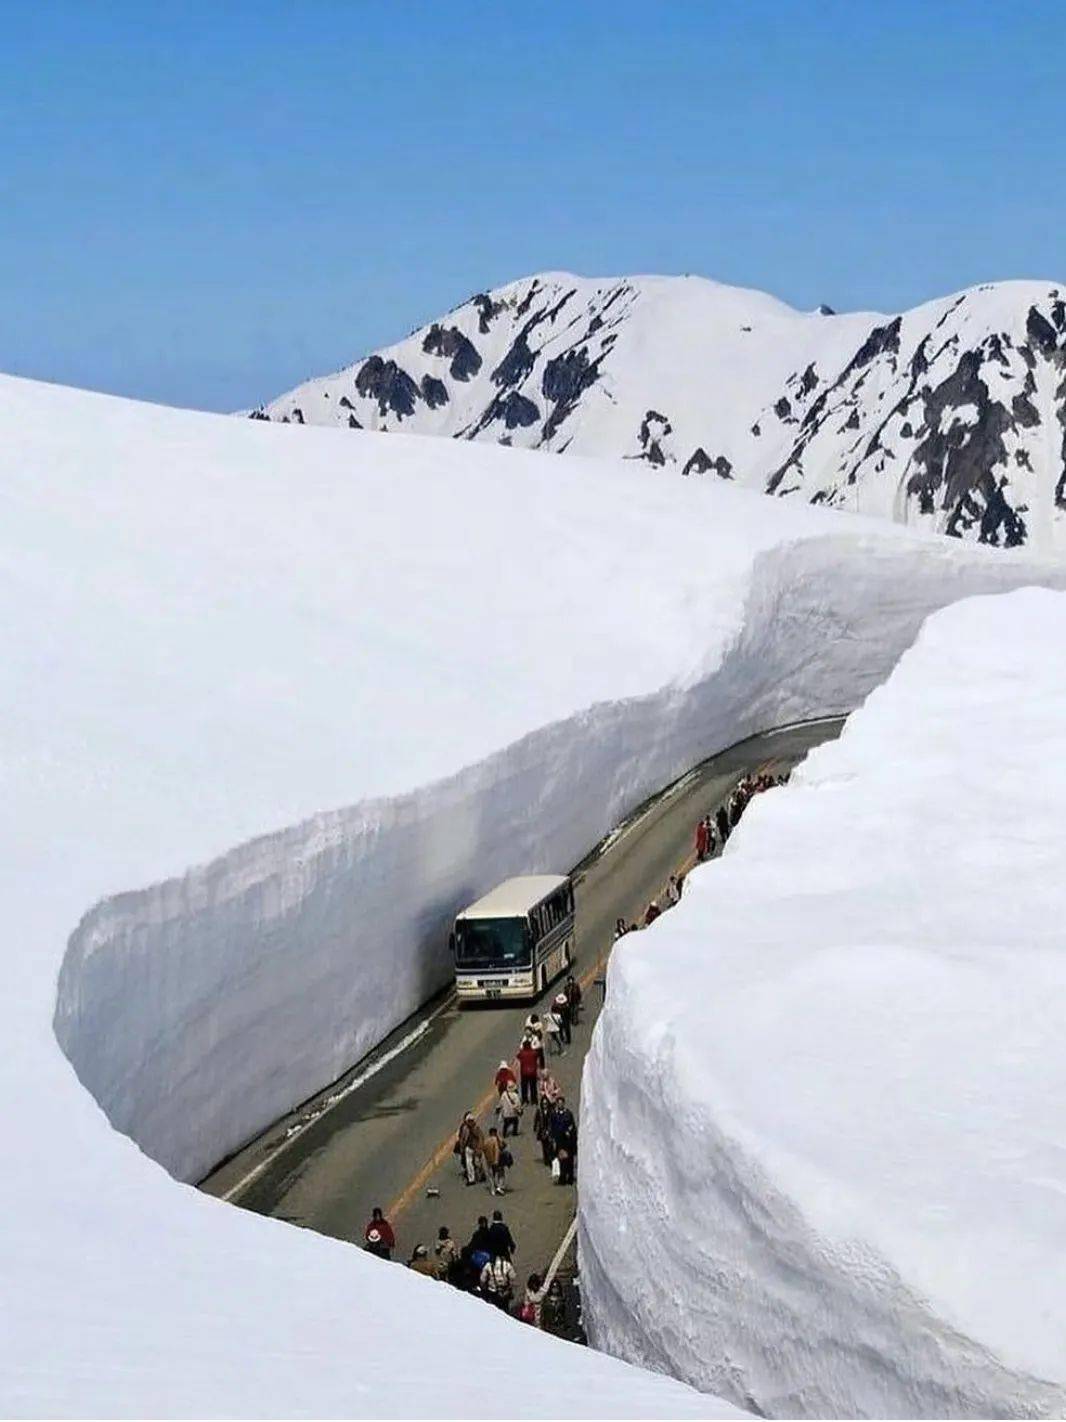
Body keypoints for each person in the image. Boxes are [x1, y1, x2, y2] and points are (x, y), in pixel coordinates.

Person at [456, 1111, 484, 1186]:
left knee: (478, 1163)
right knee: (469, 1164)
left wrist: (479, 1148)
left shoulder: (476, 1129)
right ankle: (471, 1179)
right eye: (469, 1121)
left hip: (476, 1148)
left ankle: (481, 1175)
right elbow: (461, 1138)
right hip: (468, 1148)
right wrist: (462, 1148)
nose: (470, 1123)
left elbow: (481, 1138)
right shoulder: (464, 1128)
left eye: (471, 1121)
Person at [482, 1125, 506, 1195]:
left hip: (488, 1160)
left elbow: (483, 1149)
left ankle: (492, 1189)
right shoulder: (497, 1140)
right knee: (501, 1173)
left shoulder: (486, 1141)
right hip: (497, 1160)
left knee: (490, 1175)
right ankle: (500, 1186)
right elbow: (502, 1146)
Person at [516, 1038, 541, 1104]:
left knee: (524, 1087)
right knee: (533, 1087)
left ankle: (525, 1099)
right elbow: (537, 1056)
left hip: (524, 1072)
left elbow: (518, 1056)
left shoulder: (522, 1053)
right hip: (533, 1072)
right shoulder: (533, 1053)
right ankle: (534, 1100)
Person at [533, 1092, 555, 1166]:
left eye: (546, 1103)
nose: (544, 1105)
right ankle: (546, 1159)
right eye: (543, 1103)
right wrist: (535, 1128)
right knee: (544, 1146)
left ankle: (550, 1159)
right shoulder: (539, 1111)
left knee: (550, 1145)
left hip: (549, 1130)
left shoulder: (551, 1111)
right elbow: (536, 1120)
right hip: (542, 1130)